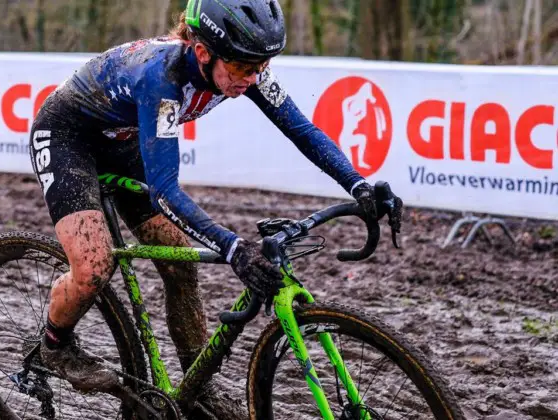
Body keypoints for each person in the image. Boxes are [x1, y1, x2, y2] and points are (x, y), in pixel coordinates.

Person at [28, 0, 401, 418]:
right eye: (244, 68)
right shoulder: (161, 79)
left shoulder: (241, 67)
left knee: (180, 262)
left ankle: (196, 387)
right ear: (203, 52)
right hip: (68, 138)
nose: (253, 78)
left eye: (261, 66)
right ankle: (54, 345)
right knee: (95, 265)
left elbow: (302, 129)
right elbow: (165, 192)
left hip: (125, 138)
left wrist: (358, 183)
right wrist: (233, 247)